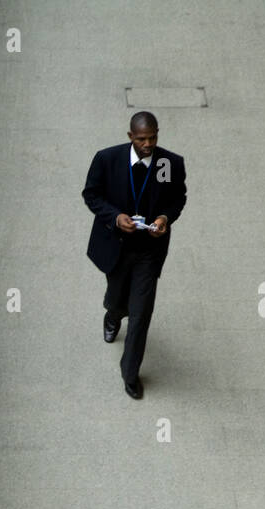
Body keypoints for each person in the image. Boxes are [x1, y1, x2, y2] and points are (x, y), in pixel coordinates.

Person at [81, 112, 187, 399]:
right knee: (117, 297)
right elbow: (91, 195)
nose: (148, 143)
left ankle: (130, 373)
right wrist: (116, 217)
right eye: (141, 138)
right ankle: (113, 314)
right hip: (116, 245)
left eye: (153, 137)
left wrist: (165, 217)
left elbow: (178, 198)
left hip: (149, 251)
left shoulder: (169, 163)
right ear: (130, 137)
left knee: (141, 314)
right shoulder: (107, 159)